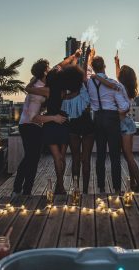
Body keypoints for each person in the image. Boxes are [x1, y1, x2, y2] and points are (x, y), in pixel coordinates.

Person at [91, 55, 139, 192]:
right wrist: (117, 63)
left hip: (123, 123)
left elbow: (124, 107)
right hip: (119, 123)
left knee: (127, 155)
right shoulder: (123, 85)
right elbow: (115, 79)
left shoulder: (119, 87)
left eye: (120, 72)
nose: (117, 72)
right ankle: (132, 183)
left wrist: (97, 76)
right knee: (124, 156)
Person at [12, 59, 67, 195]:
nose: (50, 69)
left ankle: (20, 189)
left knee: (29, 158)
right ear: (44, 72)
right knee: (32, 159)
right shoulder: (43, 89)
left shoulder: (36, 83)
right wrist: (55, 118)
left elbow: (56, 66)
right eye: (48, 68)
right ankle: (23, 191)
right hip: (31, 125)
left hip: (25, 125)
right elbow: (34, 117)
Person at [43, 50, 85, 194]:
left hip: (51, 122)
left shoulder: (48, 88)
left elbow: (60, 65)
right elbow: (69, 70)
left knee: (57, 157)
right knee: (62, 155)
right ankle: (60, 185)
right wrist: (76, 60)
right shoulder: (65, 90)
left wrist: (73, 57)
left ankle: (59, 185)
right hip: (64, 121)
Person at [88, 56, 130, 194]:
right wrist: (116, 111)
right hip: (111, 119)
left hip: (97, 119)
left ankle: (101, 187)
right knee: (114, 156)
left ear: (93, 67)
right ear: (104, 66)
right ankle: (117, 188)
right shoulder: (112, 83)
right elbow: (124, 106)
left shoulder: (89, 83)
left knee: (100, 155)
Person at [62, 48, 95, 194]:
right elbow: (83, 72)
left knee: (75, 159)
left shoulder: (65, 99)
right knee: (86, 160)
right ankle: (86, 190)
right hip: (88, 127)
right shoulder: (84, 91)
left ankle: (76, 189)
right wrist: (87, 56)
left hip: (73, 129)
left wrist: (76, 57)